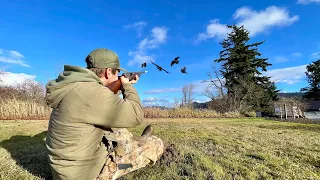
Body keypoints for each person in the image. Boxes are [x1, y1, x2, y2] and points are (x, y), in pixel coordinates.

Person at [45, 48, 164, 180]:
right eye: (117, 73)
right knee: (156, 144)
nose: (118, 77)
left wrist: (119, 85)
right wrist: (127, 86)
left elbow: (106, 104)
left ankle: (138, 140)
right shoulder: (93, 93)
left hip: (63, 169)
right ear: (108, 72)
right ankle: (132, 161)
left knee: (118, 129)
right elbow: (136, 115)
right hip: (85, 174)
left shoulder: (77, 86)